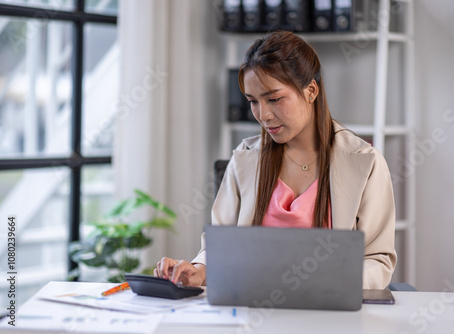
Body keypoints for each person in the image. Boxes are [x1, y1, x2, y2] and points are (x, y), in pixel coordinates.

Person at [154, 30, 397, 289]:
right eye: (253, 101)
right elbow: (221, 248)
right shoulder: (244, 160)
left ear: (311, 90)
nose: (263, 115)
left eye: (274, 99)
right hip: (253, 311)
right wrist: (198, 271)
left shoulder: (365, 162)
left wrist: (328, 282)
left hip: (328, 312)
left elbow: (377, 259)